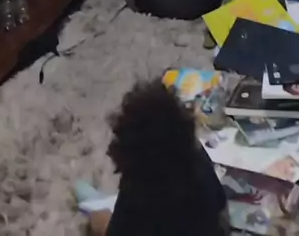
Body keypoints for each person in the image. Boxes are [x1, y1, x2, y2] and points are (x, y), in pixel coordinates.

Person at [79, 79, 230, 236]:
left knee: (98, 220)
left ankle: (93, 202)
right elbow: (221, 209)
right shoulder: (198, 162)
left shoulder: (136, 192)